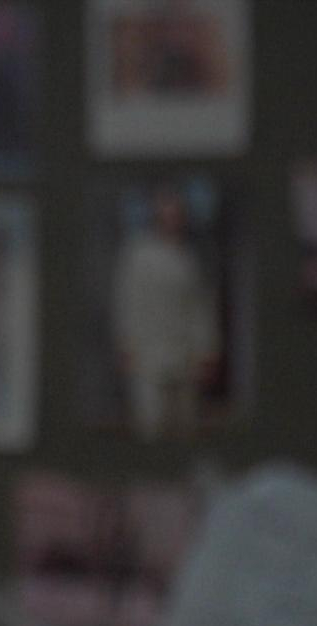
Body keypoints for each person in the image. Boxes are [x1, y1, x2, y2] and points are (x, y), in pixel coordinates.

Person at [110, 184, 219, 441]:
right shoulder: (139, 253)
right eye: (166, 212)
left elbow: (199, 306)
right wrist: (126, 344)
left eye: (177, 213)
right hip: (148, 353)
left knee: (184, 424)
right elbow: (126, 301)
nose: (172, 219)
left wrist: (207, 349)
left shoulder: (189, 257)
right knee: (151, 422)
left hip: (185, 352)